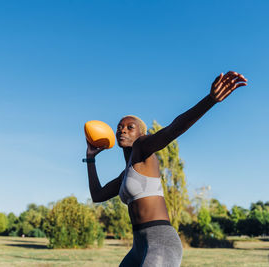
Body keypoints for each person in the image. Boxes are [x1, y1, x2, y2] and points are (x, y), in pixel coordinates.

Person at [84, 71, 247, 267]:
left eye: (130, 127)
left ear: (142, 134)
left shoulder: (142, 147)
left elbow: (173, 128)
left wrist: (210, 100)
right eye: (120, 127)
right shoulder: (126, 173)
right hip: (138, 246)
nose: (122, 130)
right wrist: (90, 158)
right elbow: (98, 195)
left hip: (160, 242)